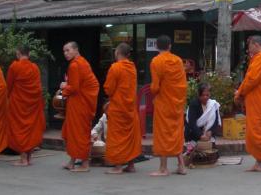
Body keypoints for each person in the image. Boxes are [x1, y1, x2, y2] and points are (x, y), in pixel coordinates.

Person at [235, 35, 261, 173]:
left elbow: (251, 80)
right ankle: (258, 162)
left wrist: (239, 92)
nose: (249, 50)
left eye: (250, 46)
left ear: (256, 44)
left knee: (257, 133)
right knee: (254, 132)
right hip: (257, 100)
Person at [149, 35, 188, 177]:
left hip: (164, 103)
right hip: (176, 103)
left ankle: (163, 168)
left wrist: (154, 93)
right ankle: (181, 166)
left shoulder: (156, 61)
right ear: (170, 46)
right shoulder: (177, 60)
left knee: (163, 133)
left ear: (156, 46)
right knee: (176, 133)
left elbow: (154, 87)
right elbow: (183, 84)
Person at [61, 41, 100, 172]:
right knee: (73, 132)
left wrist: (63, 87)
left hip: (79, 103)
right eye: (64, 51)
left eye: (68, 50)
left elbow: (74, 88)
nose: (66, 53)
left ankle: (85, 164)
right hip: (80, 102)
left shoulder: (75, 65)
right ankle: (72, 161)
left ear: (76, 50)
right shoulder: (83, 62)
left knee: (79, 133)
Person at [103, 43, 142, 174]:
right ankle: (131, 165)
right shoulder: (132, 67)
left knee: (117, 137)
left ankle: (118, 166)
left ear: (117, 52)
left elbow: (109, 89)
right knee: (129, 137)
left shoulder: (115, 68)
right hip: (130, 107)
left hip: (119, 108)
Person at [6, 45, 45, 167]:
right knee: (31, 129)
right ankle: (29, 158)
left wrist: (7, 98)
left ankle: (23, 159)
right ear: (29, 54)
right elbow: (38, 88)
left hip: (18, 104)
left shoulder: (15, 66)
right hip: (32, 104)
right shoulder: (35, 68)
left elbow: (9, 85)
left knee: (20, 128)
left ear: (18, 53)